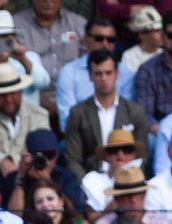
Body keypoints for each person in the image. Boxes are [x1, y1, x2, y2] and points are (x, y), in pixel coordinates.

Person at [64, 50, 153, 180]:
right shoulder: (78, 113)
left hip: (128, 179)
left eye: (108, 73)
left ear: (117, 74)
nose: (104, 78)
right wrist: (86, 186)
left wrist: (129, 180)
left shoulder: (135, 111)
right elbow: (73, 158)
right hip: (92, 178)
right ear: (90, 76)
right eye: (98, 73)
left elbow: (142, 155)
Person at [0, 65, 53, 177]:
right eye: (2, 95)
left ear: (20, 91)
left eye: (12, 93)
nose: (8, 99)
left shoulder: (39, 115)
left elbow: (42, 150)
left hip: (31, 176)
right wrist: (2, 161)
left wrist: (2, 164)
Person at [14, 0, 88, 118]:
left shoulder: (80, 24)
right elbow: (12, 68)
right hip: (31, 95)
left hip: (74, 95)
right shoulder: (16, 25)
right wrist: (36, 96)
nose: (48, 1)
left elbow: (88, 67)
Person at [52, 19, 119, 122]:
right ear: (85, 40)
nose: (105, 43)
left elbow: (128, 114)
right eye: (99, 38)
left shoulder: (125, 72)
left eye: (110, 40)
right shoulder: (69, 72)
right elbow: (67, 119)